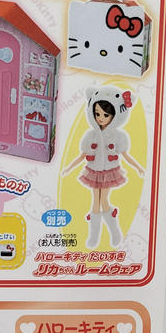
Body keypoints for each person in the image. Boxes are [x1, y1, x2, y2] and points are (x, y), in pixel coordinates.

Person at [64, 87, 144, 247]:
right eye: (97, 114)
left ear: (115, 116)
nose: (100, 118)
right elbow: (82, 155)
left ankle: (114, 232)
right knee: (95, 201)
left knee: (103, 200)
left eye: (105, 115)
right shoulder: (90, 135)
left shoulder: (118, 136)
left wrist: (138, 167)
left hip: (109, 172)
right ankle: (94, 236)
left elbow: (126, 155)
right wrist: (68, 168)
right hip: (93, 171)